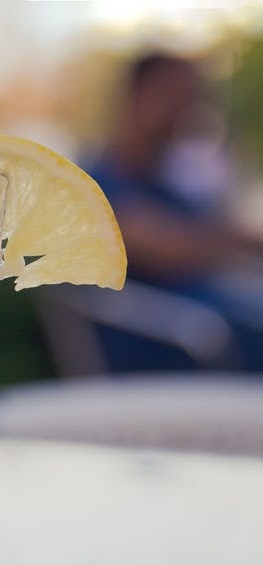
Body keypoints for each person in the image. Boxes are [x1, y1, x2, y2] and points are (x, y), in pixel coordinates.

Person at [85, 52, 263, 370]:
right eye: (180, 94)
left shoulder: (161, 181)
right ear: (142, 94)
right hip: (172, 345)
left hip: (207, 334)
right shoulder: (97, 183)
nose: (189, 108)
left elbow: (214, 230)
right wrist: (223, 243)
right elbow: (163, 247)